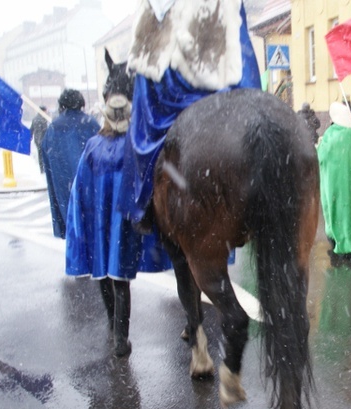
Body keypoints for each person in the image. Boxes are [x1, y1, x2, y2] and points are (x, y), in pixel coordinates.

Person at [65, 56, 172, 358]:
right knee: (120, 278)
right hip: (124, 224)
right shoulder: (136, 148)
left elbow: (79, 192)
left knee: (104, 276)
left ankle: (113, 329)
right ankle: (120, 339)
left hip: (99, 225)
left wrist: (80, 224)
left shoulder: (92, 147)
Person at [121, 0, 262, 228]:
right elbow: (246, 65)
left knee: (141, 132)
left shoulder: (154, 6)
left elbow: (145, 92)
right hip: (219, 91)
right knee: (254, 114)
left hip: (169, 93)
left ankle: (144, 205)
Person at [40, 89, 99, 239]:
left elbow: (46, 157)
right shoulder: (91, 124)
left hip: (65, 192)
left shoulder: (53, 128)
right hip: (91, 190)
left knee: (74, 234)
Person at [317, 101, 351, 265]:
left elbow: (321, 156)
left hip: (333, 179)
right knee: (348, 211)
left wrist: (318, 145)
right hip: (349, 178)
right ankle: (350, 244)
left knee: (334, 209)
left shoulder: (331, 133)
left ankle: (340, 242)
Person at [30, 106, 49, 173]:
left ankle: (41, 169)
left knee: (40, 154)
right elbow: (45, 130)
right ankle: (45, 169)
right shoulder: (44, 119)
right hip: (43, 139)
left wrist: (30, 137)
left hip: (37, 139)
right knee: (45, 155)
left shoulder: (35, 119)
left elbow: (31, 129)